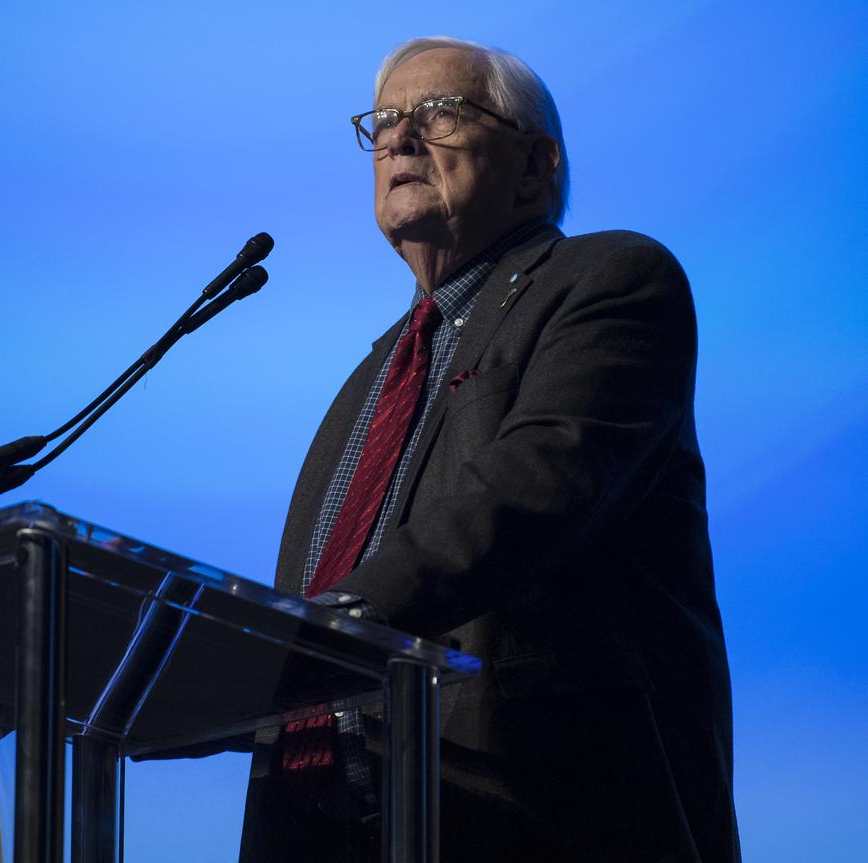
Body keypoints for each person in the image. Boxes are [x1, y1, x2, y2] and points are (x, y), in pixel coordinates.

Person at [239, 36, 741, 862]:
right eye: (384, 122)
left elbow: (531, 491)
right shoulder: (368, 381)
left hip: (542, 819)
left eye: (438, 113)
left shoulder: (611, 282)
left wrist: (318, 634)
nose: (400, 139)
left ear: (535, 165)